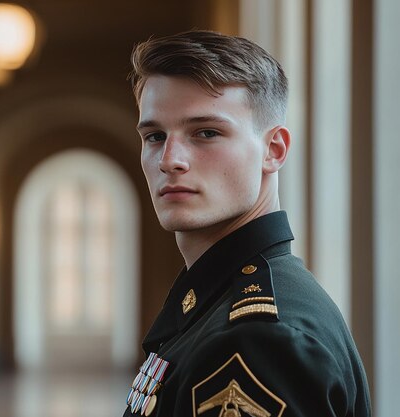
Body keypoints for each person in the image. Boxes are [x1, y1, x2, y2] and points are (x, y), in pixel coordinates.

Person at [123, 30, 371, 417]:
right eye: (154, 136)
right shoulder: (224, 304)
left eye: (206, 133)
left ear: (274, 150)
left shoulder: (256, 339)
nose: (169, 160)